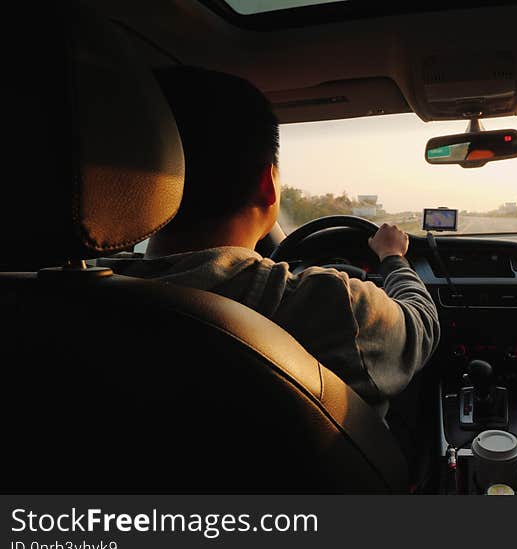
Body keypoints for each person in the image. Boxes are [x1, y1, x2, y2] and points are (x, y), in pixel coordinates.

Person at [99, 66, 440, 419]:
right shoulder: (330, 306)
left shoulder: (65, 296)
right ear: (268, 184)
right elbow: (421, 327)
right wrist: (393, 257)